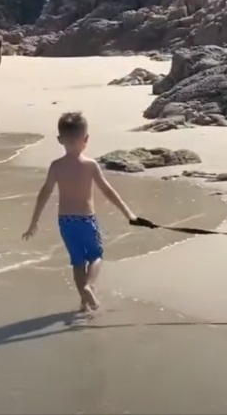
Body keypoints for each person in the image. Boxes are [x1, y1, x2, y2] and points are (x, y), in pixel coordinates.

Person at [21, 111, 139, 312]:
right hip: (86, 220)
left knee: (77, 261)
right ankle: (88, 286)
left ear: (60, 140)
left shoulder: (56, 166)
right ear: (86, 139)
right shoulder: (90, 165)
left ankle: (84, 302)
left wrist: (34, 223)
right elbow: (108, 191)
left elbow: (44, 193)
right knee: (95, 256)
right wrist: (129, 214)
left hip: (65, 222)